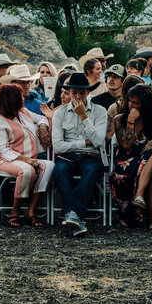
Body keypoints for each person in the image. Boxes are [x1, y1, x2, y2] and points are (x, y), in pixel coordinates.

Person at [51, 72, 108, 237]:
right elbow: (57, 147)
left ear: (88, 92)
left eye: (81, 93)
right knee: (60, 170)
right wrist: (83, 143)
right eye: (74, 92)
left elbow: (98, 141)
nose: (78, 97)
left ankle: (72, 213)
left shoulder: (99, 111)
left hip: (91, 156)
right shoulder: (59, 114)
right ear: (68, 92)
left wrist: (83, 115)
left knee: (91, 170)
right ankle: (76, 216)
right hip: (68, 156)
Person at [107, 84, 152, 229]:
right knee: (151, 167)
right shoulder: (119, 119)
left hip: (147, 160)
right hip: (126, 161)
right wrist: (130, 121)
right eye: (129, 101)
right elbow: (126, 145)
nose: (130, 105)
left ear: (144, 104)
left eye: (135, 102)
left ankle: (140, 197)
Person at [0, 84, 51, 227]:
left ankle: (31, 210)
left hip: (28, 158)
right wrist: (27, 160)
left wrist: (42, 128)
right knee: (26, 170)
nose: (23, 99)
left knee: (49, 166)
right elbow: (3, 149)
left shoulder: (23, 112)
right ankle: (15, 211)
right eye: (20, 97)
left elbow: (42, 119)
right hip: (6, 159)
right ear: (12, 100)